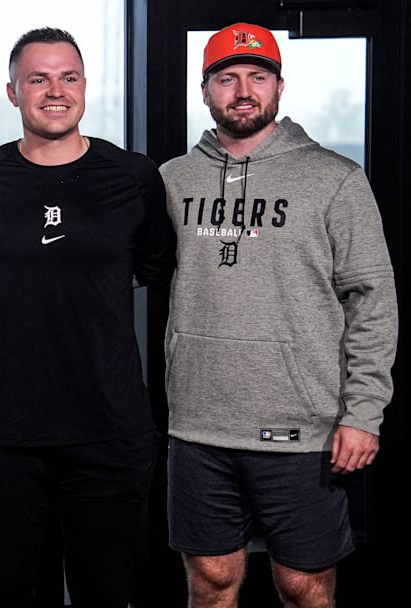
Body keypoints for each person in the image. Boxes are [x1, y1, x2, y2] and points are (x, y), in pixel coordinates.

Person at [0, 27, 176, 607]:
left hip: (109, 431)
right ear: (13, 92)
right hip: (5, 434)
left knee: (107, 596)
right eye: (38, 79)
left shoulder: (134, 177)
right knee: (0, 597)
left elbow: (154, 264)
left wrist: (77, 279)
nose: (55, 91)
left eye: (68, 77)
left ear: (85, 86)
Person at [159, 22, 398, 608]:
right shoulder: (172, 180)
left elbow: (372, 299)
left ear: (279, 87)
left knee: (303, 586)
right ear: (205, 90)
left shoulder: (335, 179)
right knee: (210, 582)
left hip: (304, 427)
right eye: (227, 78)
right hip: (197, 426)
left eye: (257, 76)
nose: (243, 91)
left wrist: (363, 414)